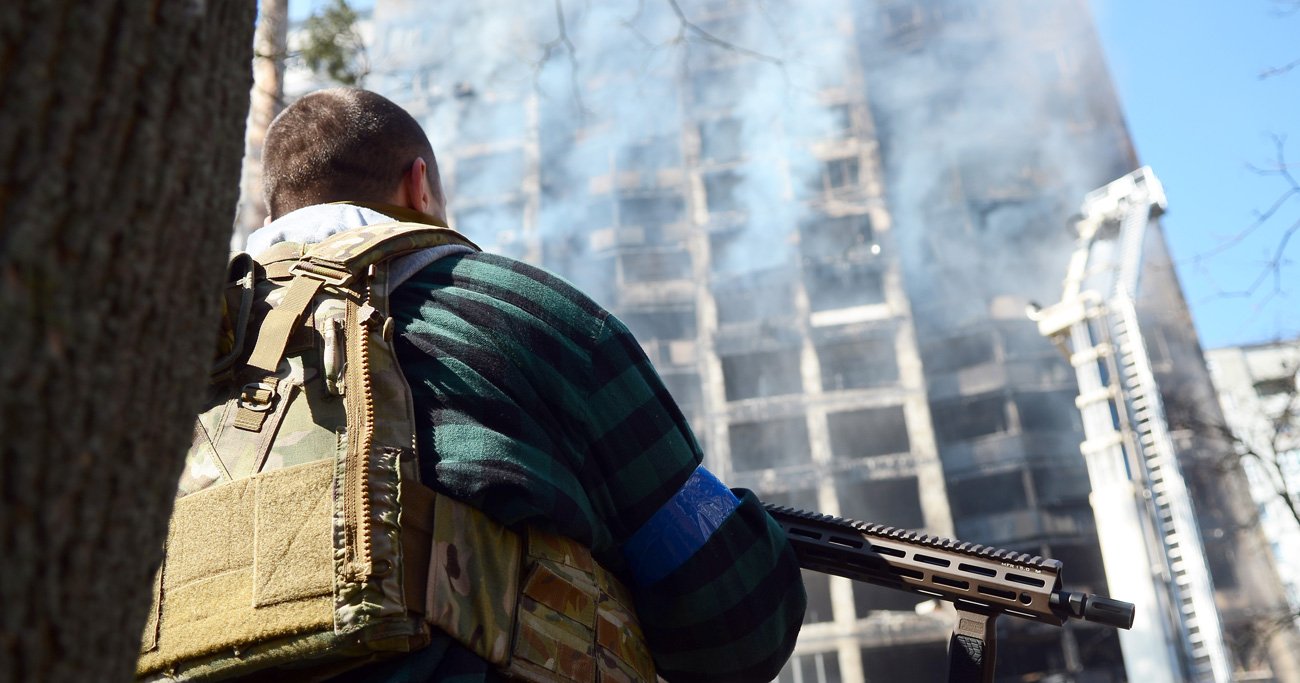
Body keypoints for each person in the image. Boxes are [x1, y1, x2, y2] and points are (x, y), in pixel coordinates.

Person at [252, 87, 806, 682]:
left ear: (273, 217)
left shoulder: (193, 353)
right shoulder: (518, 309)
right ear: (418, 185)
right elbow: (736, 622)